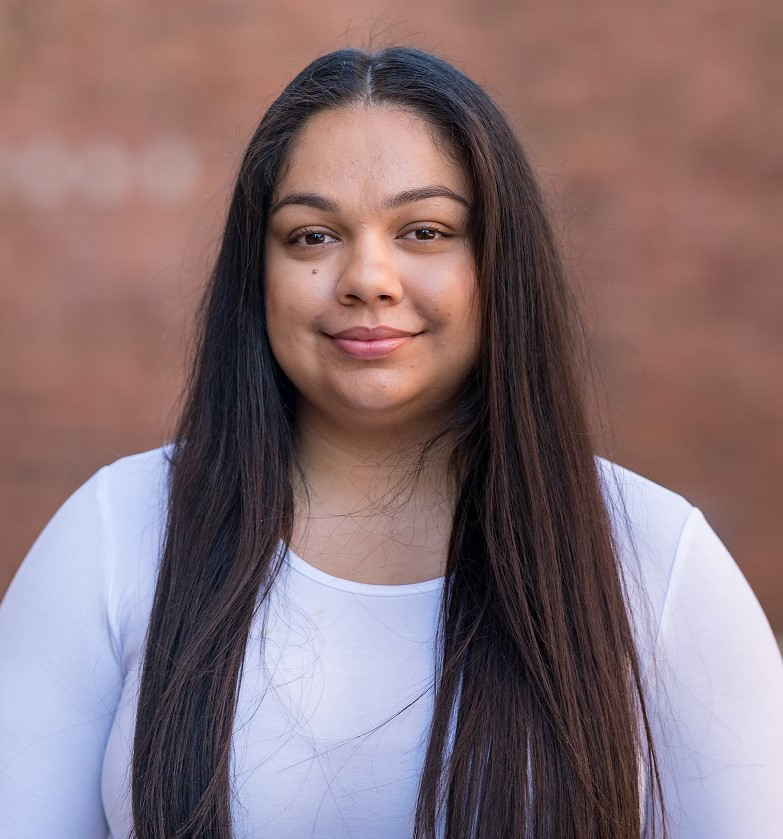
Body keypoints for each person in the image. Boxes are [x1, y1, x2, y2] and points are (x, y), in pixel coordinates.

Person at [1, 46, 781, 839]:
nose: (367, 276)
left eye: (423, 230)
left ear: (496, 264)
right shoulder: (117, 533)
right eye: (310, 236)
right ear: (256, 274)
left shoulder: (654, 560)